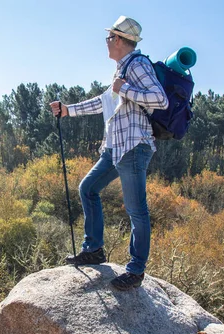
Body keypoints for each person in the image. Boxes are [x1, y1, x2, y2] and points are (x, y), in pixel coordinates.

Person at [49, 16, 168, 290]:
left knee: (136, 211)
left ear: (118, 39)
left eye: (108, 38)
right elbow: (102, 101)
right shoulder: (122, 69)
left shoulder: (138, 64)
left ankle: (136, 271)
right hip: (115, 148)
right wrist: (68, 110)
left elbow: (160, 99)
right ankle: (94, 250)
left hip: (133, 147)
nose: (106, 42)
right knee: (88, 188)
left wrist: (124, 89)